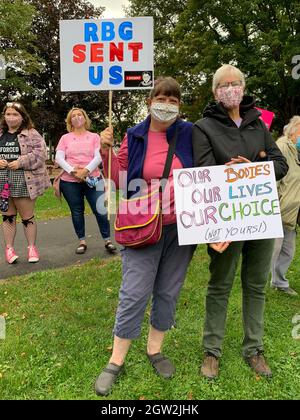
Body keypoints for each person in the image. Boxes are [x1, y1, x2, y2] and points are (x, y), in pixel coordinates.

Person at [94, 77, 196, 396]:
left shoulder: (190, 134)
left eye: (173, 99)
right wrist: (104, 151)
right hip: (142, 226)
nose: (167, 104)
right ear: (150, 101)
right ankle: (116, 360)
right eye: (161, 97)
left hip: (182, 228)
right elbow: (119, 179)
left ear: (180, 105)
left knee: (168, 291)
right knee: (134, 293)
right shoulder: (135, 136)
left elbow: (207, 172)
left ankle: (155, 350)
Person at [192, 64, 288, 380]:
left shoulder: (258, 124)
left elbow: (280, 163)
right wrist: (234, 172)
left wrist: (256, 169)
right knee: (220, 284)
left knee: (256, 285)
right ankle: (212, 351)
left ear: (243, 88)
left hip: (260, 217)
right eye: (224, 84)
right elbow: (203, 174)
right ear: (215, 91)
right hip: (225, 221)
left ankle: (254, 349)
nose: (231, 88)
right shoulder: (203, 127)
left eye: (236, 83)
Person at [55, 108, 116, 254]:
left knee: (100, 210)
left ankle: (107, 239)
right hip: (69, 181)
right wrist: (73, 172)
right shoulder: (65, 138)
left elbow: (99, 156)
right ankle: (82, 241)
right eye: (73, 116)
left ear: (85, 117)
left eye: (79, 114)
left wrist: (85, 171)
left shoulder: (94, 137)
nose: (77, 117)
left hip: (93, 179)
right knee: (77, 212)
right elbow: (59, 158)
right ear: (70, 121)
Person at [0, 102, 50, 264]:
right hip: (2, 182)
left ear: (22, 117)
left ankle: (31, 248)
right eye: (8, 114)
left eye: (15, 114)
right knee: (7, 217)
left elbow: (41, 154)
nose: (11, 117)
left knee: (27, 217)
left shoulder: (32, 133)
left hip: (23, 181)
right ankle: (9, 249)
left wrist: (21, 162)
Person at [271, 116, 300, 296]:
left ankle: (279, 282)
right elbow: (274, 177)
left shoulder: (297, 152)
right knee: (273, 250)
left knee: (288, 251)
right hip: (279, 209)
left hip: (292, 212)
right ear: (292, 131)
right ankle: (259, 281)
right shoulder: (282, 147)